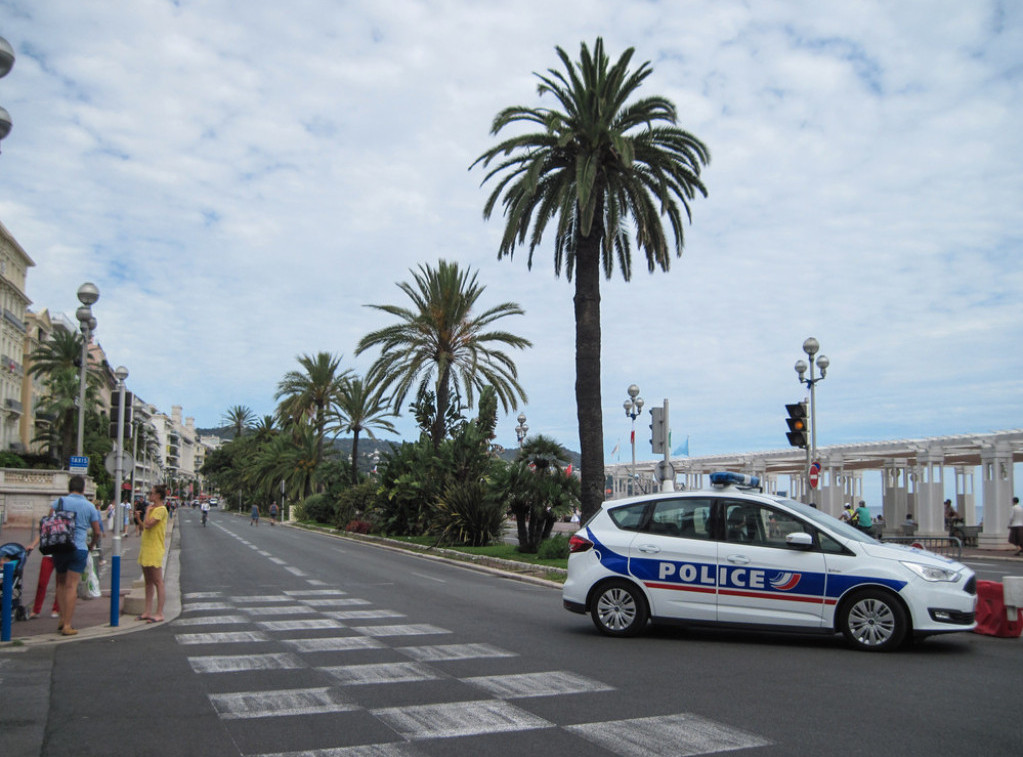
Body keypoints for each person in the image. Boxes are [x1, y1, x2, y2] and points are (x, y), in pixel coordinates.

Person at [50, 474, 102, 636]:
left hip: (59, 547)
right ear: (83, 489)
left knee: (60, 583)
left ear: (69, 488)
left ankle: (61, 617)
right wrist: (91, 546)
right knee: (71, 585)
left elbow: (49, 523)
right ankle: (67, 624)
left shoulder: (58, 502)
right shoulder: (89, 506)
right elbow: (97, 531)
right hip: (78, 548)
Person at [137, 484, 169, 623]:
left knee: (158, 581)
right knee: (148, 581)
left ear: (158, 495)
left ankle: (159, 612)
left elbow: (149, 524)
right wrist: (139, 518)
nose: (150, 495)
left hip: (155, 548)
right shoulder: (152, 509)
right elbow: (143, 527)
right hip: (146, 547)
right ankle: (147, 611)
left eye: (152, 493)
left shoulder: (161, 510)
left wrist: (147, 513)